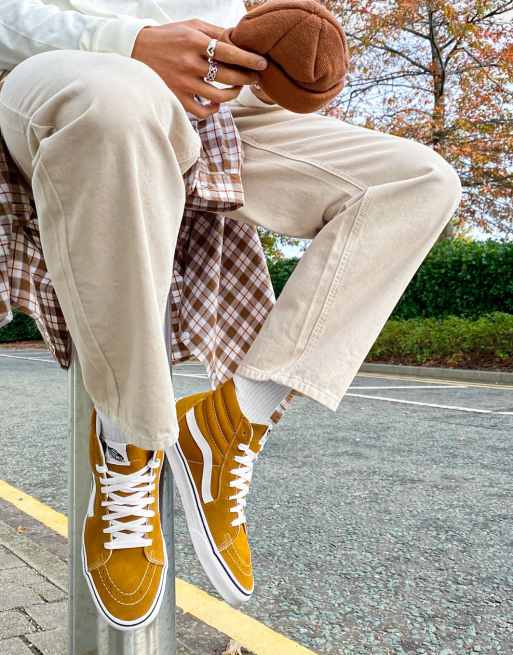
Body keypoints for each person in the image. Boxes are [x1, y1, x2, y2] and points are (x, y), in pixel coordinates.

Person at [0, 0, 462, 631]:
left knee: (420, 182)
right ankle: (128, 444)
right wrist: (126, 40)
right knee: (120, 102)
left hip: (222, 112)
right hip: (68, 72)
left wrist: (280, 70)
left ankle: (229, 420)